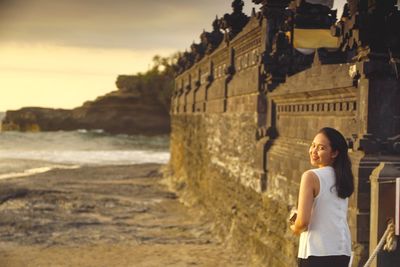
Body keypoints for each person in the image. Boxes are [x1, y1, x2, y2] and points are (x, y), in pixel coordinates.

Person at [290, 127, 354, 267]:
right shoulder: (343, 178)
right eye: (313, 145)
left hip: (316, 252)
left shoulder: (310, 177)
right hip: (342, 251)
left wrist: (294, 227)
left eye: (321, 148)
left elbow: (303, 222)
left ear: (335, 153)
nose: (313, 151)